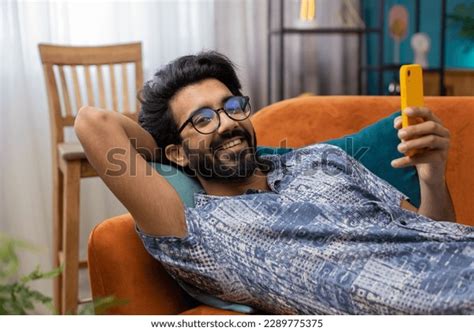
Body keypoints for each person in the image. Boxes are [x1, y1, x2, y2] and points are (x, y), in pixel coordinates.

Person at [74, 51, 473, 314]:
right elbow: (94, 122)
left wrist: (431, 176)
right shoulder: (197, 230)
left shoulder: (322, 159)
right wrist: (163, 150)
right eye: (203, 119)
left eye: (232, 107)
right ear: (176, 152)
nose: (228, 123)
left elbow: (433, 231)